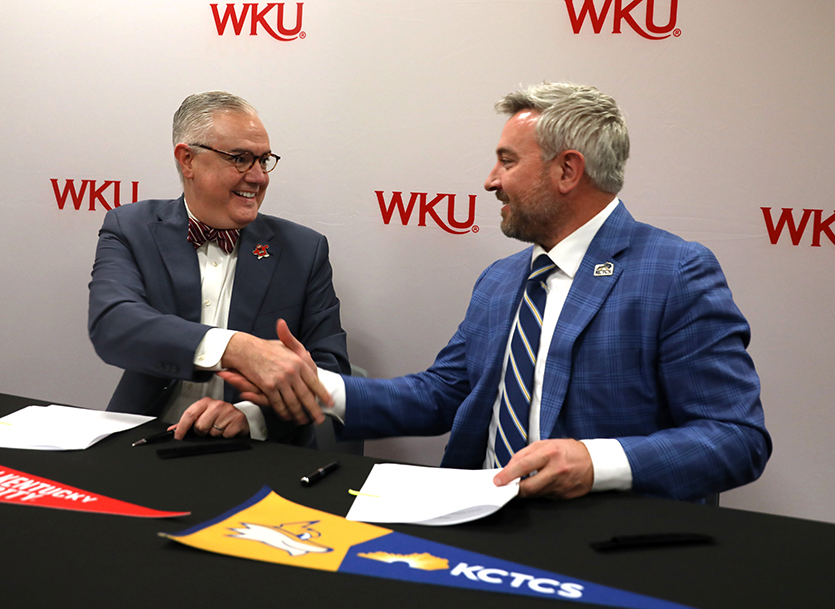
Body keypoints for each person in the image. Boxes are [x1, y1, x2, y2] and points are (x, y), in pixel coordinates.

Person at [225, 82, 771, 501]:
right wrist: (318, 386)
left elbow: (736, 437)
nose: (490, 180)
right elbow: (442, 394)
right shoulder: (503, 280)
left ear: (567, 170)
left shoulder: (674, 273)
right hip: (471, 519)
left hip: (599, 542)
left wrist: (593, 462)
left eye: (507, 161)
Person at [88, 91, 349, 446]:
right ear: (188, 161)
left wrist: (251, 414)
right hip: (144, 438)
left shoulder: (304, 249)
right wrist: (235, 347)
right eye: (240, 159)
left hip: (260, 451)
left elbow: (331, 369)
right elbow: (113, 324)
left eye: (264, 160)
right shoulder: (130, 227)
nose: (258, 177)